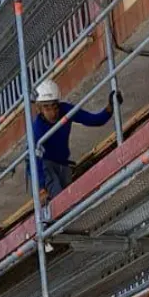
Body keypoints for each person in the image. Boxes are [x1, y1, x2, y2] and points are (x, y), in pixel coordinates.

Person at [32, 77, 119, 206]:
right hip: (46, 166)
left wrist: (110, 108)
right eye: (47, 108)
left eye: (54, 107)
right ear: (39, 109)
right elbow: (34, 161)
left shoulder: (65, 110)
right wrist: (41, 188)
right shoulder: (37, 129)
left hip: (63, 164)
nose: (53, 112)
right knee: (60, 201)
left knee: (68, 201)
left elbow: (92, 120)